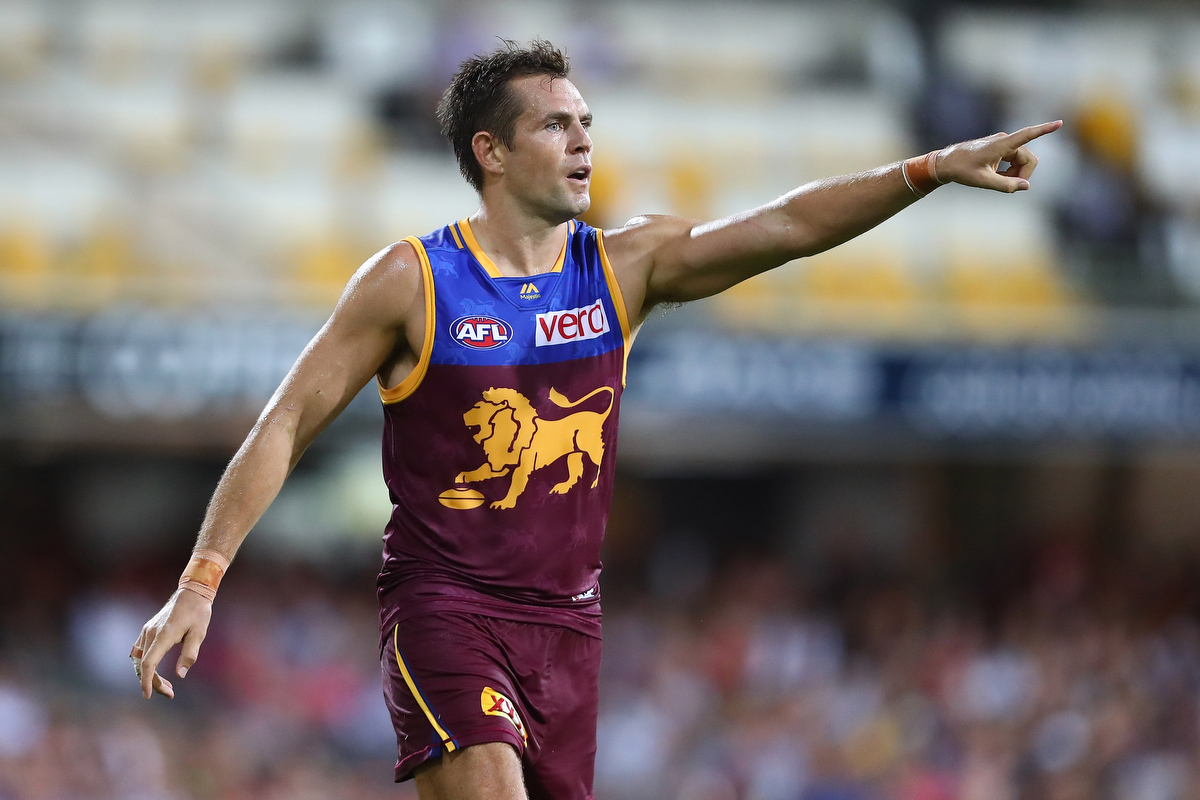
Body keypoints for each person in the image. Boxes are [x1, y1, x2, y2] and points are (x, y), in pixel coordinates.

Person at [131, 39, 1061, 800]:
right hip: (444, 608)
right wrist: (203, 581)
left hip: (571, 628)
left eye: (587, 124)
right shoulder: (410, 282)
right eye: (555, 125)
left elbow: (786, 226)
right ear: (490, 153)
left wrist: (930, 167)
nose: (583, 142)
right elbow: (287, 421)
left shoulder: (627, 266)